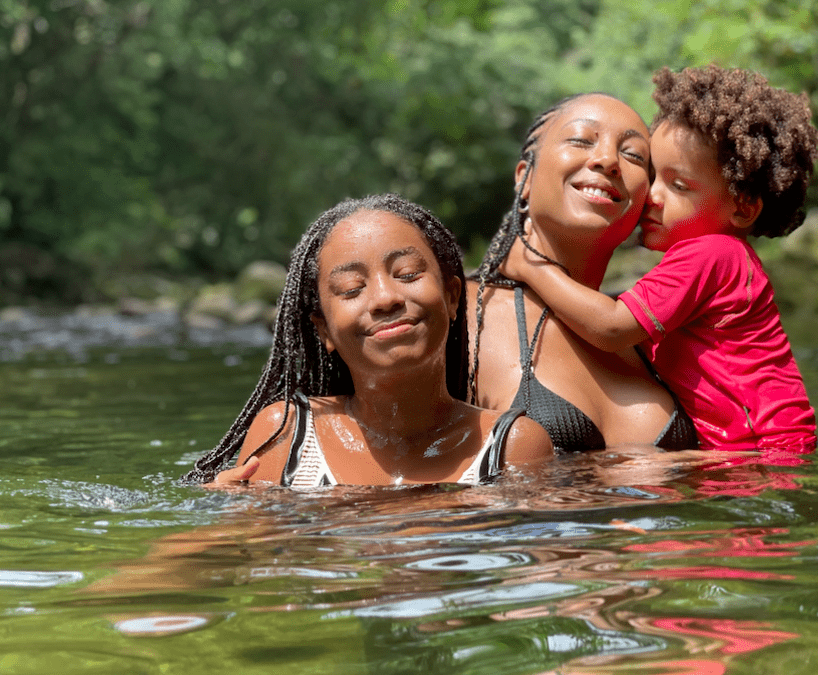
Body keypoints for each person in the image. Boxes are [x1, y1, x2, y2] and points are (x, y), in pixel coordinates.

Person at [501, 66, 818, 453]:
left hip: (762, 450)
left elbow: (612, 327)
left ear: (743, 207)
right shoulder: (723, 260)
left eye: (678, 185)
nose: (651, 196)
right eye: (652, 176)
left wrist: (530, 267)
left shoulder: (713, 254)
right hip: (765, 447)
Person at [181, 193, 554, 487]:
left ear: (453, 298)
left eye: (407, 274)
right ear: (324, 330)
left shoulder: (513, 446)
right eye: (351, 288)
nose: (384, 298)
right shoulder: (288, 433)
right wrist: (228, 518)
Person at [468, 92, 698, 453]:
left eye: (634, 155)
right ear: (524, 177)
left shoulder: (645, 336)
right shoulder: (457, 316)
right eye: (580, 140)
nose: (608, 160)